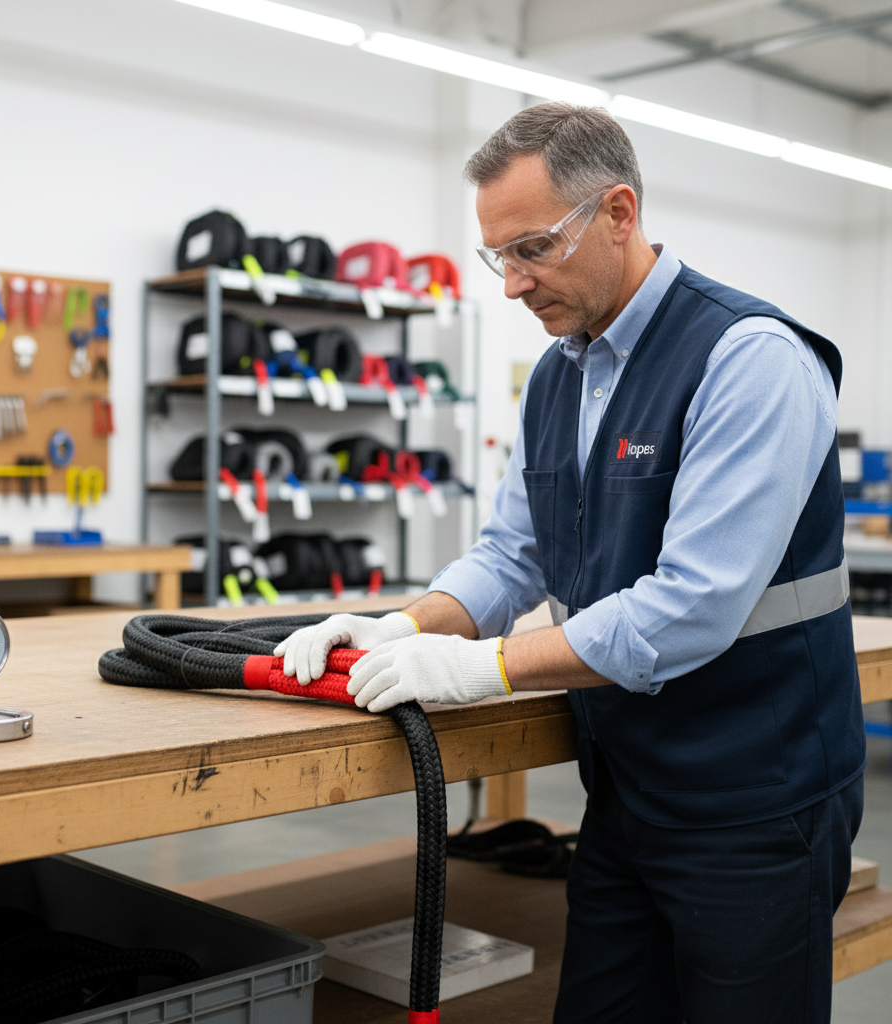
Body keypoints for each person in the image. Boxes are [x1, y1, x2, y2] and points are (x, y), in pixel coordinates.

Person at [276, 102, 866, 1023]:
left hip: (756, 799)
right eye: (497, 255)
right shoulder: (563, 371)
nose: (511, 284)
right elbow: (513, 553)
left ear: (619, 214)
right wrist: (406, 624)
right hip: (625, 791)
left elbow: (691, 607)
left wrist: (483, 666)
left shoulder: (750, 360)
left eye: (534, 249)